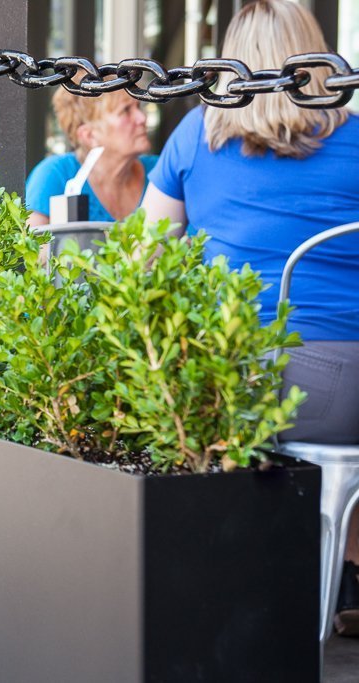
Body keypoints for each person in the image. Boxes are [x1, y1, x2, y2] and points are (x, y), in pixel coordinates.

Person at [141, 0, 359, 634]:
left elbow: (144, 258)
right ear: (317, 54)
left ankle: (248, 592)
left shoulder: (194, 136)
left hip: (255, 383)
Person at [25, 88, 157, 227]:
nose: (142, 118)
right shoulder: (55, 175)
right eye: (125, 110)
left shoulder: (158, 171)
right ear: (89, 135)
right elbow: (34, 247)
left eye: (138, 107)